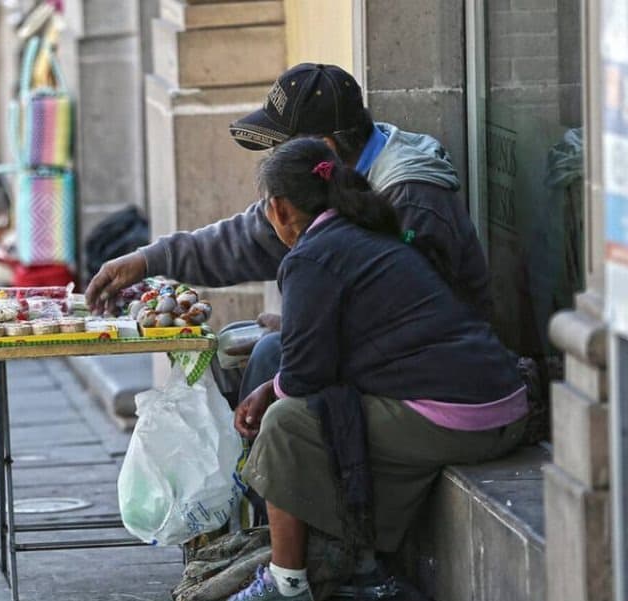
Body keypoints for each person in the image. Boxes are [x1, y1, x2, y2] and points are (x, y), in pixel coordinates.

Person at [197, 138, 527, 601]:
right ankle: (361, 564)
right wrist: (276, 384)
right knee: (330, 406)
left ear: (279, 209)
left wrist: (270, 392)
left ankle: (287, 583)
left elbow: (305, 377)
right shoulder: (366, 232)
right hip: (500, 405)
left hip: (463, 416)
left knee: (288, 422)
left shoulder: (313, 256)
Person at [85, 62, 492, 402]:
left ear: (324, 148)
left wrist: (310, 329)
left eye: (280, 149)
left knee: (269, 360)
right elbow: (248, 238)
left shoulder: (412, 197)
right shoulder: (327, 179)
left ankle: (274, 494)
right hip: (378, 348)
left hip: (437, 374)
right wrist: (148, 260)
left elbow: (417, 316)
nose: (274, 160)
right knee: (229, 352)